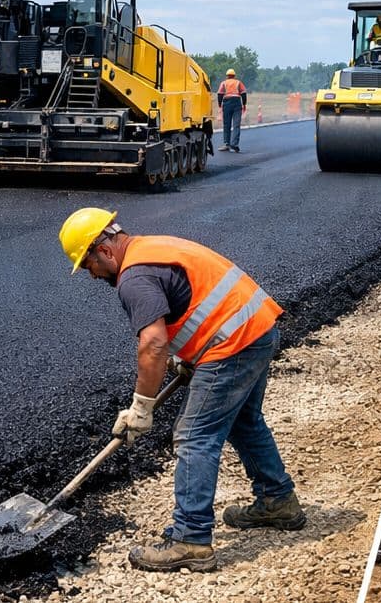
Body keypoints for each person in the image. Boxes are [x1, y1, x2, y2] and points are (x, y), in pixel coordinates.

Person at [58, 208, 306, 573]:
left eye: (88, 265)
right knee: (245, 422)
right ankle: (278, 501)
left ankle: (190, 540)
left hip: (233, 343)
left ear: (104, 250)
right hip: (256, 329)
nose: (92, 275)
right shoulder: (150, 247)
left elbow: (153, 343)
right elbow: (192, 300)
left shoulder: (133, 278)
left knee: (193, 436)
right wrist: (189, 355)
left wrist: (141, 406)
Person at [217, 68, 247, 153]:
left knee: (227, 124)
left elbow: (220, 94)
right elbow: (243, 93)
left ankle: (226, 144)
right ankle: (235, 144)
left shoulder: (224, 83)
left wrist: (220, 105)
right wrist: (244, 104)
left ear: (227, 76)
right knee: (236, 124)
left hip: (227, 103)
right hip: (237, 103)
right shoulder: (238, 82)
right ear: (234, 76)